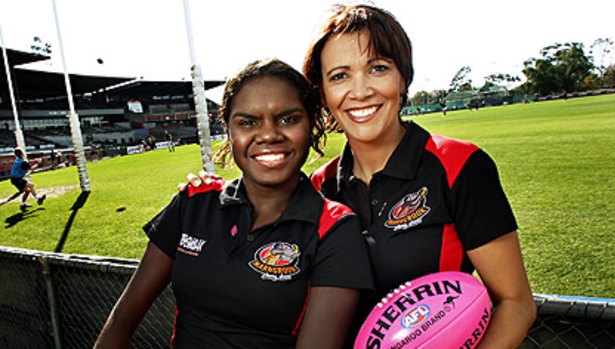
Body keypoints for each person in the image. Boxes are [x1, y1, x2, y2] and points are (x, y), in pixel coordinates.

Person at [184, 4, 536, 348]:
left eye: (378, 68)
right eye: (339, 76)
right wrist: (204, 193)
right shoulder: (320, 189)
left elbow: (516, 303)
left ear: (403, 77)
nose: (360, 90)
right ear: (322, 94)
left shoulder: (458, 166)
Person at [95, 58, 373, 349]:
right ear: (228, 130)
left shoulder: (335, 229)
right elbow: (121, 321)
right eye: (247, 122)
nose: (268, 134)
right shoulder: (194, 203)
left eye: (288, 119)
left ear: (312, 123)